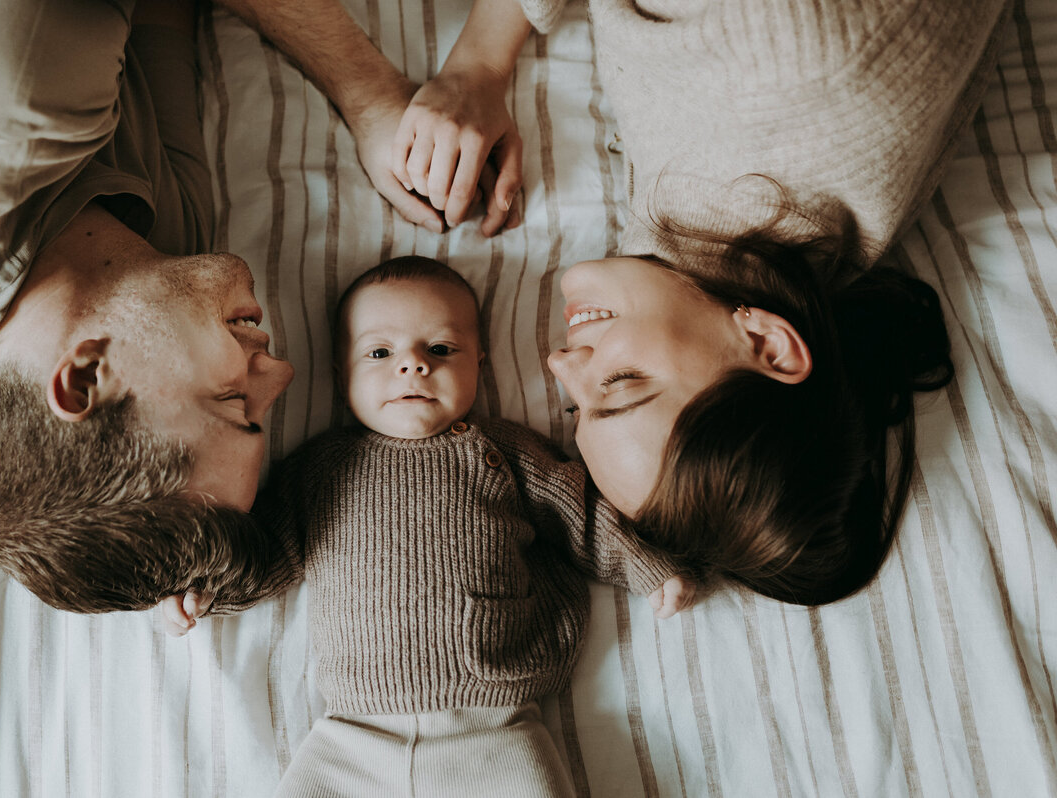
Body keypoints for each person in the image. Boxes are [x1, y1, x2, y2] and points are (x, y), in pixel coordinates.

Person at [0, 0, 523, 612]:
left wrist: (370, 95)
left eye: (234, 401)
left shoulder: (1, 96)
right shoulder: (156, 264)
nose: (283, 373)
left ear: (86, 374)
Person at [391, 0, 1008, 603]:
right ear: (767, 343)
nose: (560, 363)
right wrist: (476, 64)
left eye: (579, 409)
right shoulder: (777, 61)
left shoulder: (782, 252)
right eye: (624, 383)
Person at [161, 257, 692, 796]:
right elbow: (271, 548)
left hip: (496, 723)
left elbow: (582, 514)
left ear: (480, 362)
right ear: (343, 372)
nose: (413, 365)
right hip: (352, 732)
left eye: (440, 349)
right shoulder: (320, 467)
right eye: (380, 352)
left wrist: (646, 565)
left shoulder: (506, 452)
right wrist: (207, 589)